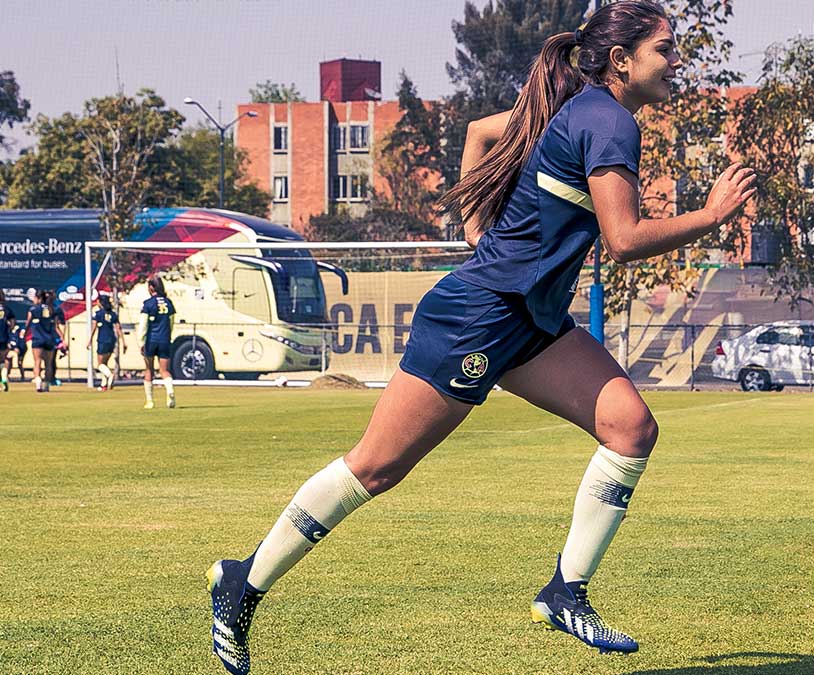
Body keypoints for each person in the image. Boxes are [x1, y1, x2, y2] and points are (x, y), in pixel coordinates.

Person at [206, 2, 755, 673]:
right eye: (665, 49)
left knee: (630, 428)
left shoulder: (581, 109)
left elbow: (478, 133)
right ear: (621, 60)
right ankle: (243, 581)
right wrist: (712, 216)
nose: (676, 61)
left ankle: (565, 590)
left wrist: (475, 224)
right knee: (375, 468)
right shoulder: (608, 120)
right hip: (480, 317)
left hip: (532, 321)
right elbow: (623, 239)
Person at [139, 276, 176, 409]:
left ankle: (150, 401)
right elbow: (171, 323)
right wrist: (168, 336)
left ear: (151, 287)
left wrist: (141, 342)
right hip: (165, 340)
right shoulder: (169, 303)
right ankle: (170, 391)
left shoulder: (148, 304)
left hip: (151, 341)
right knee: (164, 370)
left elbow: (143, 325)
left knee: (149, 370)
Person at [26, 293, 64, 393]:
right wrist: (62, 338)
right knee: (48, 363)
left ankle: (38, 383)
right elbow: (56, 326)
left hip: (38, 339)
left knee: (37, 361)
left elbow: (28, 323)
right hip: (49, 339)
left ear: (39, 298)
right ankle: (46, 385)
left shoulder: (34, 309)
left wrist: (24, 334)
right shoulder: (52, 310)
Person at [87, 294, 125, 391]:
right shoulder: (113, 314)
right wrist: (124, 342)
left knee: (100, 364)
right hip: (112, 340)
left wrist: (89, 340)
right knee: (105, 363)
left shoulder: (98, 314)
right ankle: (103, 385)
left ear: (101, 302)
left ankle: (110, 375)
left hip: (102, 340)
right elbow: (118, 328)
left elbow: (93, 328)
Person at [0, 301, 14, 392]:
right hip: (3, 338)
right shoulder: (7, 309)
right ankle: (4, 378)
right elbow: (12, 323)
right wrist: (7, 330)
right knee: (2, 361)